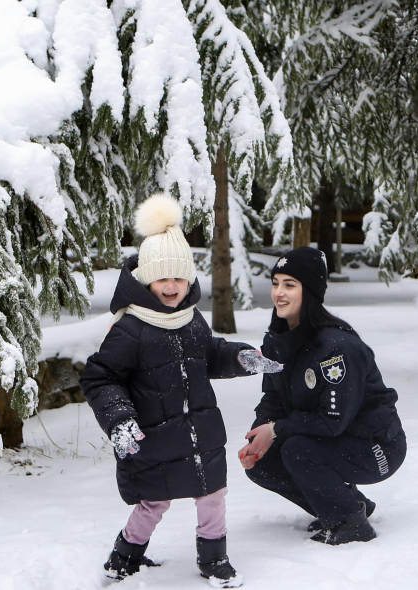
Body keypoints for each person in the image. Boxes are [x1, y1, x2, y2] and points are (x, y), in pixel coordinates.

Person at [80, 194, 280, 587]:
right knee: (154, 501)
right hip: (153, 437)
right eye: (162, 278)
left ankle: (214, 560)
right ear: (146, 279)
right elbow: (100, 378)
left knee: (213, 495)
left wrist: (241, 358)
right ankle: (124, 555)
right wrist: (120, 419)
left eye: (179, 277)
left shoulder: (191, 321)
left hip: (200, 433)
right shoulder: (130, 328)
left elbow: (209, 354)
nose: (172, 286)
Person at [238, 247, 406, 545]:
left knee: (297, 450)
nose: (279, 293)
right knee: (264, 461)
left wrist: (276, 430)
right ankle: (352, 504)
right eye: (276, 283)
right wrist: (259, 434)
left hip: (377, 446)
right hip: (333, 440)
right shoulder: (278, 342)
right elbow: (273, 400)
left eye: (290, 285)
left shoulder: (337, 347)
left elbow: (332, 422)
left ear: (311, 292)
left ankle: (350, 523)